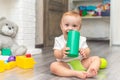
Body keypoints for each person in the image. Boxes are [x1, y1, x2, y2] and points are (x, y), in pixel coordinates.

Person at [50, 11, 100, 79]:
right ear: (61, 26)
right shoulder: (58, 40)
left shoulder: (81, 39)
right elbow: (56, 54)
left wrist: (84, 52)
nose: (70, 28)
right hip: (66, 65)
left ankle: (91, 71)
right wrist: (61, 52)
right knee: (53, 66)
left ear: (79, 28)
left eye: (74, 26)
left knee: (96, 58)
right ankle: (75, 73)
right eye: (67, 25)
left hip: (80, 62)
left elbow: (88, 50)